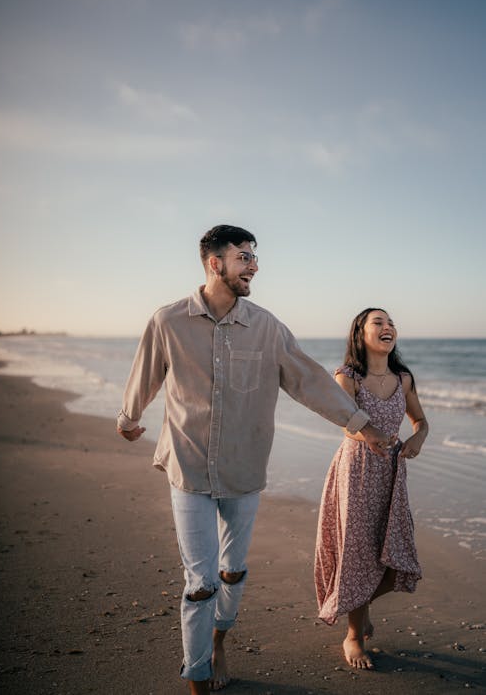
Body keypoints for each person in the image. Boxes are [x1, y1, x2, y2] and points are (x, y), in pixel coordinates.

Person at [117, 226, 389, 695]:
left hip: (245, 470)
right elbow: (145, 372)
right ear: (214, 263)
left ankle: (220, 640)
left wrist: (358, 421)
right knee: (200, 582)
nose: (254, 266)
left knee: (232, 572)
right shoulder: (168, 321)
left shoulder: (267, 327)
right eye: (244, 258)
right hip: (188, 466)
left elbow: (310, 380)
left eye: (254, 258)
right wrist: (128, 416)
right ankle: (198, 675)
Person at [314, 307, 429, 671]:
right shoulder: (347, 376)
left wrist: (418, 439)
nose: (388, 327)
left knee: (398, 558)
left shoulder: (404, 378)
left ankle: (358, 608)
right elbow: (345, 421)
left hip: (392, 475)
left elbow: (420, 420)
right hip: (357, 472)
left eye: (391, 322)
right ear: (360, 332)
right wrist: (370, 433)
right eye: (378, 322)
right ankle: (353, 635)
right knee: (360, 554)